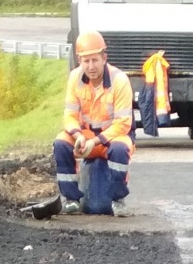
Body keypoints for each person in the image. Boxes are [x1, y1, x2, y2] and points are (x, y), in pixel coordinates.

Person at [54, 31, 134, 217]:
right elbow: (70, 116)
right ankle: (71, 200)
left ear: (104, 58)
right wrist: (78, 136)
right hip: (86, 137)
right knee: (60, 143)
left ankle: (118, 200)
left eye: (95, 60)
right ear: (79, 60)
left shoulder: (119, 80)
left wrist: (96, 141)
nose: (91, 66)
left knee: (120, 150)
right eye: (86, 61)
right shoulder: (75, 78)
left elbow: (123, 124)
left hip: (113, 137)